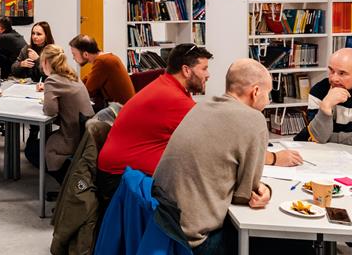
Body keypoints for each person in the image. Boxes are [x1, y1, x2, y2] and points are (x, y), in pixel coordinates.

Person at [153, 59, 314, 255]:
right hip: (194, 242)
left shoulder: (202, 106)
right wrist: (264, 191)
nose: (268, 100)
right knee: (302, 252)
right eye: (268, 93)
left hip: (166, 226)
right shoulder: (252, 120)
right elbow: (245, 195)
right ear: (255, 92)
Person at [96, 44, 301, 208]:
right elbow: (223, 146)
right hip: (122, 179)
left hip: (121, 171)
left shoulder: (166, 86)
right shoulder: (173, 98)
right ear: (186, 70)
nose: (208, 75)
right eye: (204, 68)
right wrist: (275, 158)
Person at [37, 45, 93, 183]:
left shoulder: (52, 80)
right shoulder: (72, 75)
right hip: (86, 135)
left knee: (32, 148)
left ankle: (66, 177)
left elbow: (50, 110)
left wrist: (47, 94)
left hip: (71, 138)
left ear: (45, 62)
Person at [69, 34, 135, 110]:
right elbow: (88, 78)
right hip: (125, 108)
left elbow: (88, 91)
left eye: (74, 54)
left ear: (86, 54)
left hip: (121, 111)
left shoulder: (102, 62)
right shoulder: (106, 58)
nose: (73, 58)